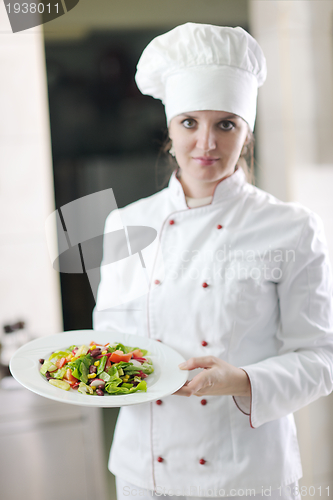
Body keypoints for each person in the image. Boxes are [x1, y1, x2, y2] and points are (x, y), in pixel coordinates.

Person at [93, 23, 333, 500]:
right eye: (189, 123)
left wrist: (241, 380)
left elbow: (322, 358)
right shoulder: (124, 224)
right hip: (145, 472)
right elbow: (107, 343)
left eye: (226, 124)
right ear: (169, 128)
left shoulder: (290, 226)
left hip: (246, 474)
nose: (206, 143)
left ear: (247, 132)